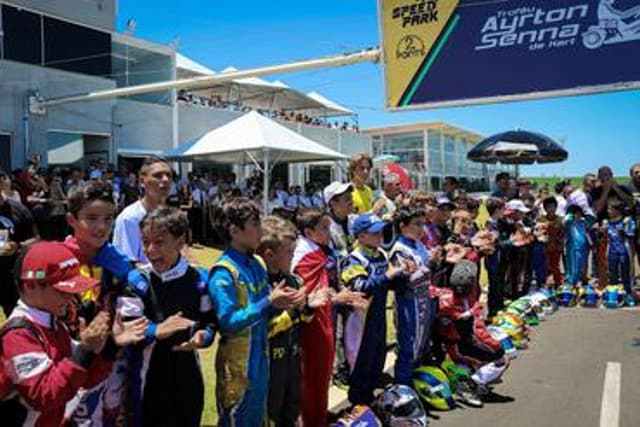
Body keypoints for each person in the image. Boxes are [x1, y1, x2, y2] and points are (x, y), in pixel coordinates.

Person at [0, 242, 115, 427]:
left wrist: (109, 345)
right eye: (62, 291)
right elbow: (44, 396)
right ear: (30, 285)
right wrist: (85, 350)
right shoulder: (18, 335)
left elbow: (84, 380)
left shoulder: (53, 322)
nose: (70, 298)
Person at [209, 198, 299, 427]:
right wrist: (268, 302)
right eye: (255, 224)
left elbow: (264, 312)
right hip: (238, 367)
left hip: (261, 360)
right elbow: (228, 322)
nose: (261, 229)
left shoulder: (256, 264)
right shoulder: (224, 272)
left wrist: (282, 304)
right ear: (234, 231)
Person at [135, 207, 217, 426]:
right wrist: (156, 331)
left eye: (159, 242)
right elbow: (125, 329)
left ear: (180, 242)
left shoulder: (201, 280)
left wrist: (203, 337)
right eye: (145, 242)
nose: (150, 250)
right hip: (147, 379)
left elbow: (209, 323)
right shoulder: (136, 281)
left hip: (187, 378)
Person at [291, 208, 365, 427]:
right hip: (312, 324)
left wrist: (343, 295)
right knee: (313, 374)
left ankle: (319, 415)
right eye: (324, 227)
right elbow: (312, 296)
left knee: (323, 372)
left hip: (327, 318)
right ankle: (312, 420)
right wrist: (338, 298)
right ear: (308, 232)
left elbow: (329, 287)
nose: (329, 231)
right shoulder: (305, 256)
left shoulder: (323, 249)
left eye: (329, 225)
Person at [257, 216, 328, 427]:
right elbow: (263, 329)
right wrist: (294, 313)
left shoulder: (294, 280)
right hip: (270, 364)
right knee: (271, 413)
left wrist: (308, 306)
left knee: (292, 409)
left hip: (294, 358)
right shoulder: (259, 284)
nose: (293, 256)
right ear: (269, 255)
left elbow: (306, 317)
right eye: (289, 252)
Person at [341, 213, 399, 405]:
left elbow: (387, 283)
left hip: (380, 315)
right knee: (361, 362)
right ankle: (358, 403)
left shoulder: (380, 253)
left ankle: (371, 400)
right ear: (361, 236)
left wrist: (402, 273)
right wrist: (388, 276)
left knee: (377, 359)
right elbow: (360, 286)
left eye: (380, 232)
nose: (379, 236)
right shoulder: (354, 259)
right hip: (361, 320)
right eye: (374, 233)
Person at [436, 260, 508, 401]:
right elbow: (479, 333)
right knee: (501, 359)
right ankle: (470, 385)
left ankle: (470, 378)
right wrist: (498, 348)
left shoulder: (442, 295)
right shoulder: (471, 306)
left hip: (447, 345)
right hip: (459, 347)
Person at [388, 208, 436, 386]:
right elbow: (406, 280)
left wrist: (435, 258)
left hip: (423, 299)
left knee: (421, 342)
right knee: (409, 345)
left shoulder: (417, 244)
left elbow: (423, 267)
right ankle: (403, 386)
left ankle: (416, 383)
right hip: (409, 301)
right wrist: (426, 268)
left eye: (422, 224)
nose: (421, 229)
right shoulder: (399, 249)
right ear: (402, 226)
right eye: (416, 224)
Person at [113, 156, 172, 263]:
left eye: (168, 175)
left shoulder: (170, 215)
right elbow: (129, 264)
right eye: (158, 175)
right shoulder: (130, 218)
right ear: (142, 181)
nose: (165, 179)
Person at [0, 171, 39, 317]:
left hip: (10, 275)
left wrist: (19, 246)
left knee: (15, 315)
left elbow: (35, 239)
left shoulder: (18, 210)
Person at [603, 200, 635, 306]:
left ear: (617, 210)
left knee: (625, 273)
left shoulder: (627, 221)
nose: (608, 211)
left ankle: (629, 294)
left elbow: (631, 236)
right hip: (612, 251)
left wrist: (623, 232)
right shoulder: (607, 223)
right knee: (612, 274)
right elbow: (607, 239)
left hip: (624, 251)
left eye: (610, 209)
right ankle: (614, 295)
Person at [564, 204, 592, 287]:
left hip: (583, 249)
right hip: (573, 249)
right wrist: (570, 214)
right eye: (576, 213)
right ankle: (571, 285)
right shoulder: (569, 223)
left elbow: (591, 221)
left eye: (580, 213)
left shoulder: (583, 223)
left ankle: (580, 284)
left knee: (581, 267)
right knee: (573, 269)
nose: (579, 215)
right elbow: (565, 221)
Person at [540, 197, 564, 289]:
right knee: (545, 266)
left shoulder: (560, 219)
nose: (551, 209)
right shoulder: (541, 219)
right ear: (545, 208)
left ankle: (558, 284)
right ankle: (544, 285)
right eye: (549, 207)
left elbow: (562, 234)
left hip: (556, 247)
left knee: (555, 266)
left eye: (553, 206)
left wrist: (560, 245)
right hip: (545, 247)